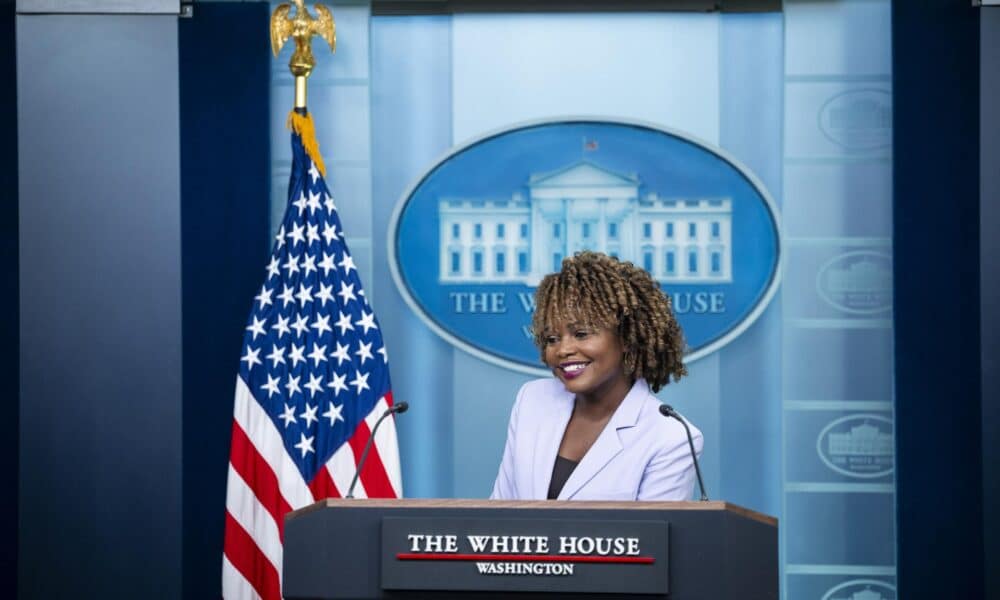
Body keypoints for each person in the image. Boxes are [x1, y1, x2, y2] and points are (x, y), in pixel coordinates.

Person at [491, 251, 702, 501]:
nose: (563, 350)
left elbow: (653, 537)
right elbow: (500, 512)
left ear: (626, 338)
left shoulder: (670, 437)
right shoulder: (532, 401)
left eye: (581, 334)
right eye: (551, 339)